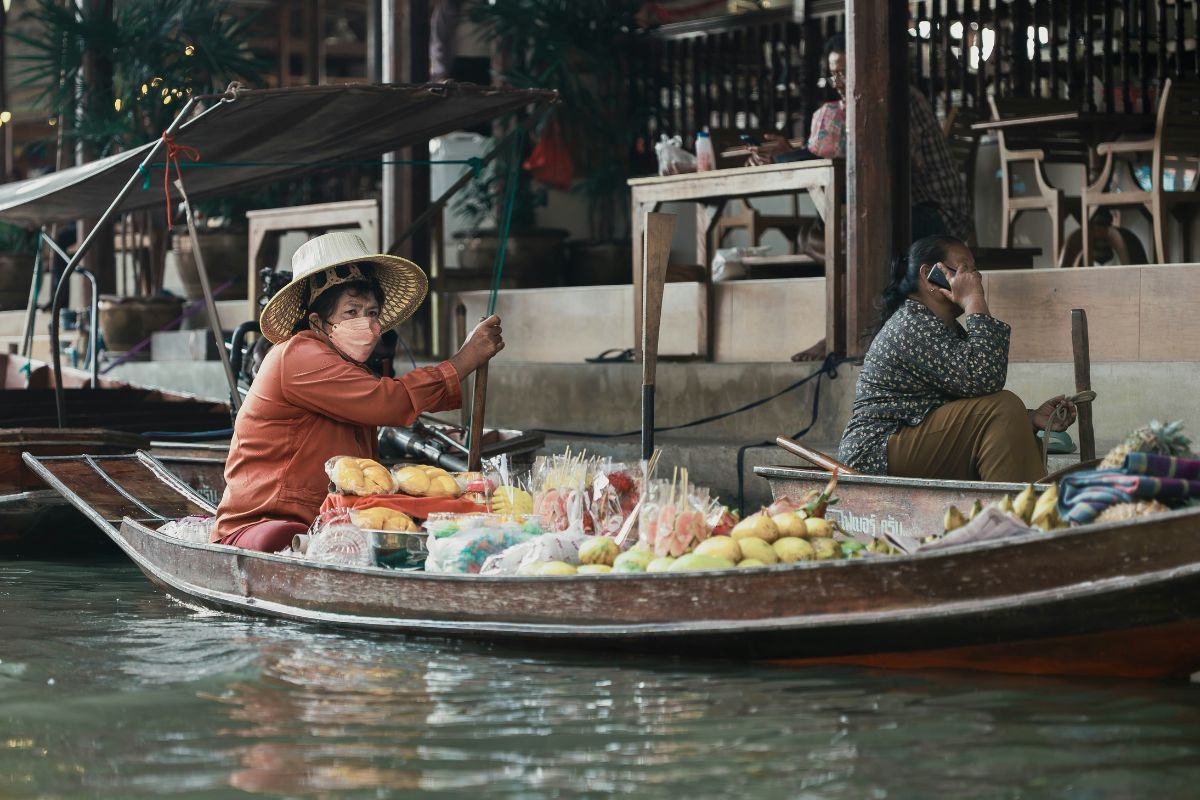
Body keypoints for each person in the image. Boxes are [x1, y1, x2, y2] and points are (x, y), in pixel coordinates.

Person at [212, 231, 504, 552]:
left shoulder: (348, 367)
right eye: (351, 312)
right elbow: (389, 402)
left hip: (331, 521)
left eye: (372, 313)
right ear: (318, 322)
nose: (366, 323)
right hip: (268, 520)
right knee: (289, 537)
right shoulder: (298, 355)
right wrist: (465, 359)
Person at [836, 235, 1075, 483]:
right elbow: (985, 377)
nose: (975, 278)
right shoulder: (912, 324)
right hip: (875, 453)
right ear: (929, 275)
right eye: (964, 269)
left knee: (1007, 415)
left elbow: (972, 397)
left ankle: (1019, 504)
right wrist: (973, 300)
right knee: (1002, 409)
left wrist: (1030, 419)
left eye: (975, 271)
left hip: (904, 442)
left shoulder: (942, 327)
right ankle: (1015, 507)